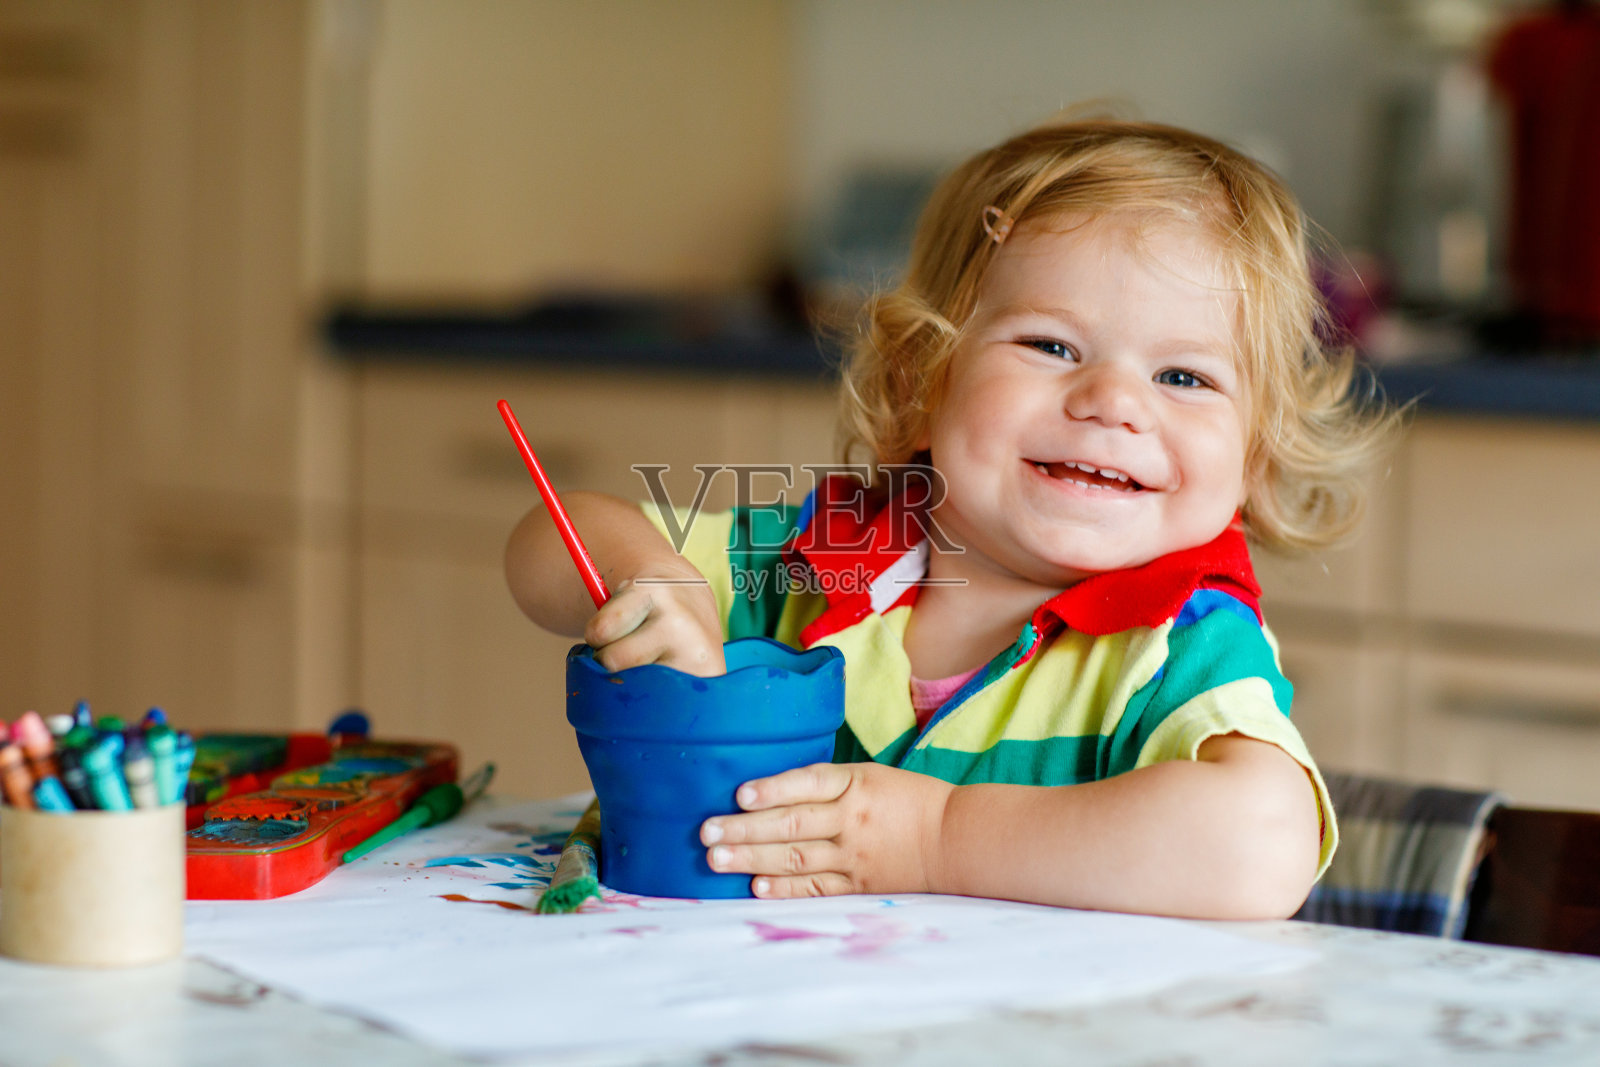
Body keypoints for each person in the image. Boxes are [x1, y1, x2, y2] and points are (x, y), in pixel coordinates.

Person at [505, 118, 1398, 919]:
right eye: (1052, 346)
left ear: (1254, 454)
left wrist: (936, 837)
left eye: (1185, 377)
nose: (1114, 401)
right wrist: (652, 581)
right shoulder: (830, 554)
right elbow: (550, 540)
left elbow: (1259, 848)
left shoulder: (1178, 637)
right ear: (919, 381)